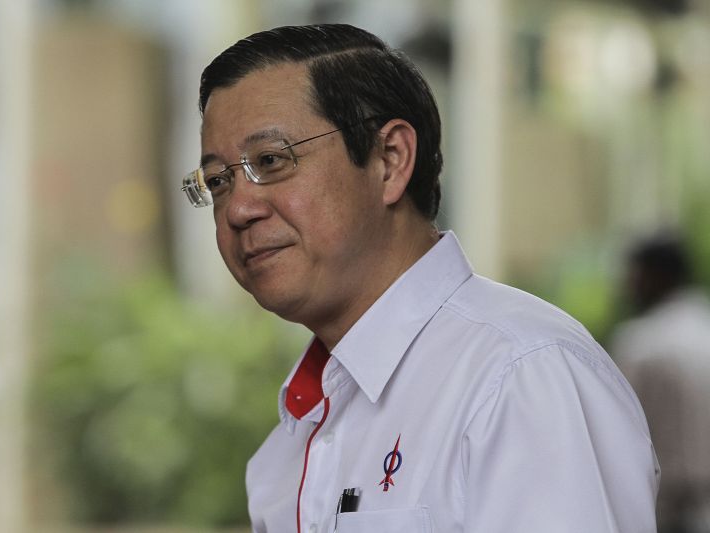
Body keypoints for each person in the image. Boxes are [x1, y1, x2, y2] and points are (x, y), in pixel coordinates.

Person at [181, 24, 659, 533]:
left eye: (271, 160)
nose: (238, 208)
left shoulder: (519, 376)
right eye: (218, 180)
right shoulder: (288, 449)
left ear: (390, 161)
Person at [611, 235, 710, 533]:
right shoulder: (702, 325)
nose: (628, 284)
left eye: (635, 273)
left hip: (668, 511)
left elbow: (618, 434)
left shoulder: (642, 343)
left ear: (657, 275)